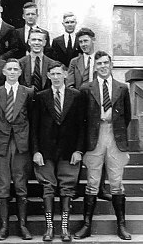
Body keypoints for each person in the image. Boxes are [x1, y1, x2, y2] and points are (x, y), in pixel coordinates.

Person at [74, 51, 132, 240]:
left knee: (116, 183)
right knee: (92, 183)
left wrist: (117, 134)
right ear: (95, 67)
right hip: (94, 137)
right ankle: (87, 225)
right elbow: (81, 119)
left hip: (114, 137)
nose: (103, 66)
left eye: (106, 63)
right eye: (99, 63)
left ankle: (121, 226)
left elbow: (127, 116)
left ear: (111, 64)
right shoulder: (86, 88)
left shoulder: (122, 88)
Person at [32, 62, 85, 242]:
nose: (56, 77)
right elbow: (34, 127)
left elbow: (81, 126)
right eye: (52, 74)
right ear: (48, 76)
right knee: (48, 186)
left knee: (67, 187)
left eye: (59, 74)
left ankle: (64, 229)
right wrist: (36, 151)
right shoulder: (41, 96)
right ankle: (49, 228)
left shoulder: (76, 96)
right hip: (46, 150)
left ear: (65, 75)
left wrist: (78, 150)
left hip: (69, 150)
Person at [0, 58, 33, 241]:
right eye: (9, 69)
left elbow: (31, 117)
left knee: (21, 184)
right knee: (3, 184)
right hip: (1, 143)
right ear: (4, 72)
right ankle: (4, 227)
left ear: (20, 72)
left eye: (16, 69)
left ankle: (23, 225)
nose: (13, 72)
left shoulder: (28, 92)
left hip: (21, 143)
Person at [67, 28, 111, 201]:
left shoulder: (102, 60)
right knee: (78, 147)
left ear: (93, 40)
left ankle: (100, 187)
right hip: (80, 107)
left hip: (99, 111)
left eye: (86, 41)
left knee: (102, 149)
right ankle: (76, 186)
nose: (83, 45)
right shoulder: (74, 62)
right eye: (81, 42)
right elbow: (70, 84)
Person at [19, 28, 56, 92]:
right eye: (33, 40)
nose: (36, 43)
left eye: (40, 40)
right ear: (29, 42)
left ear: (44, 43)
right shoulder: (20, 63)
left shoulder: (52, 64)